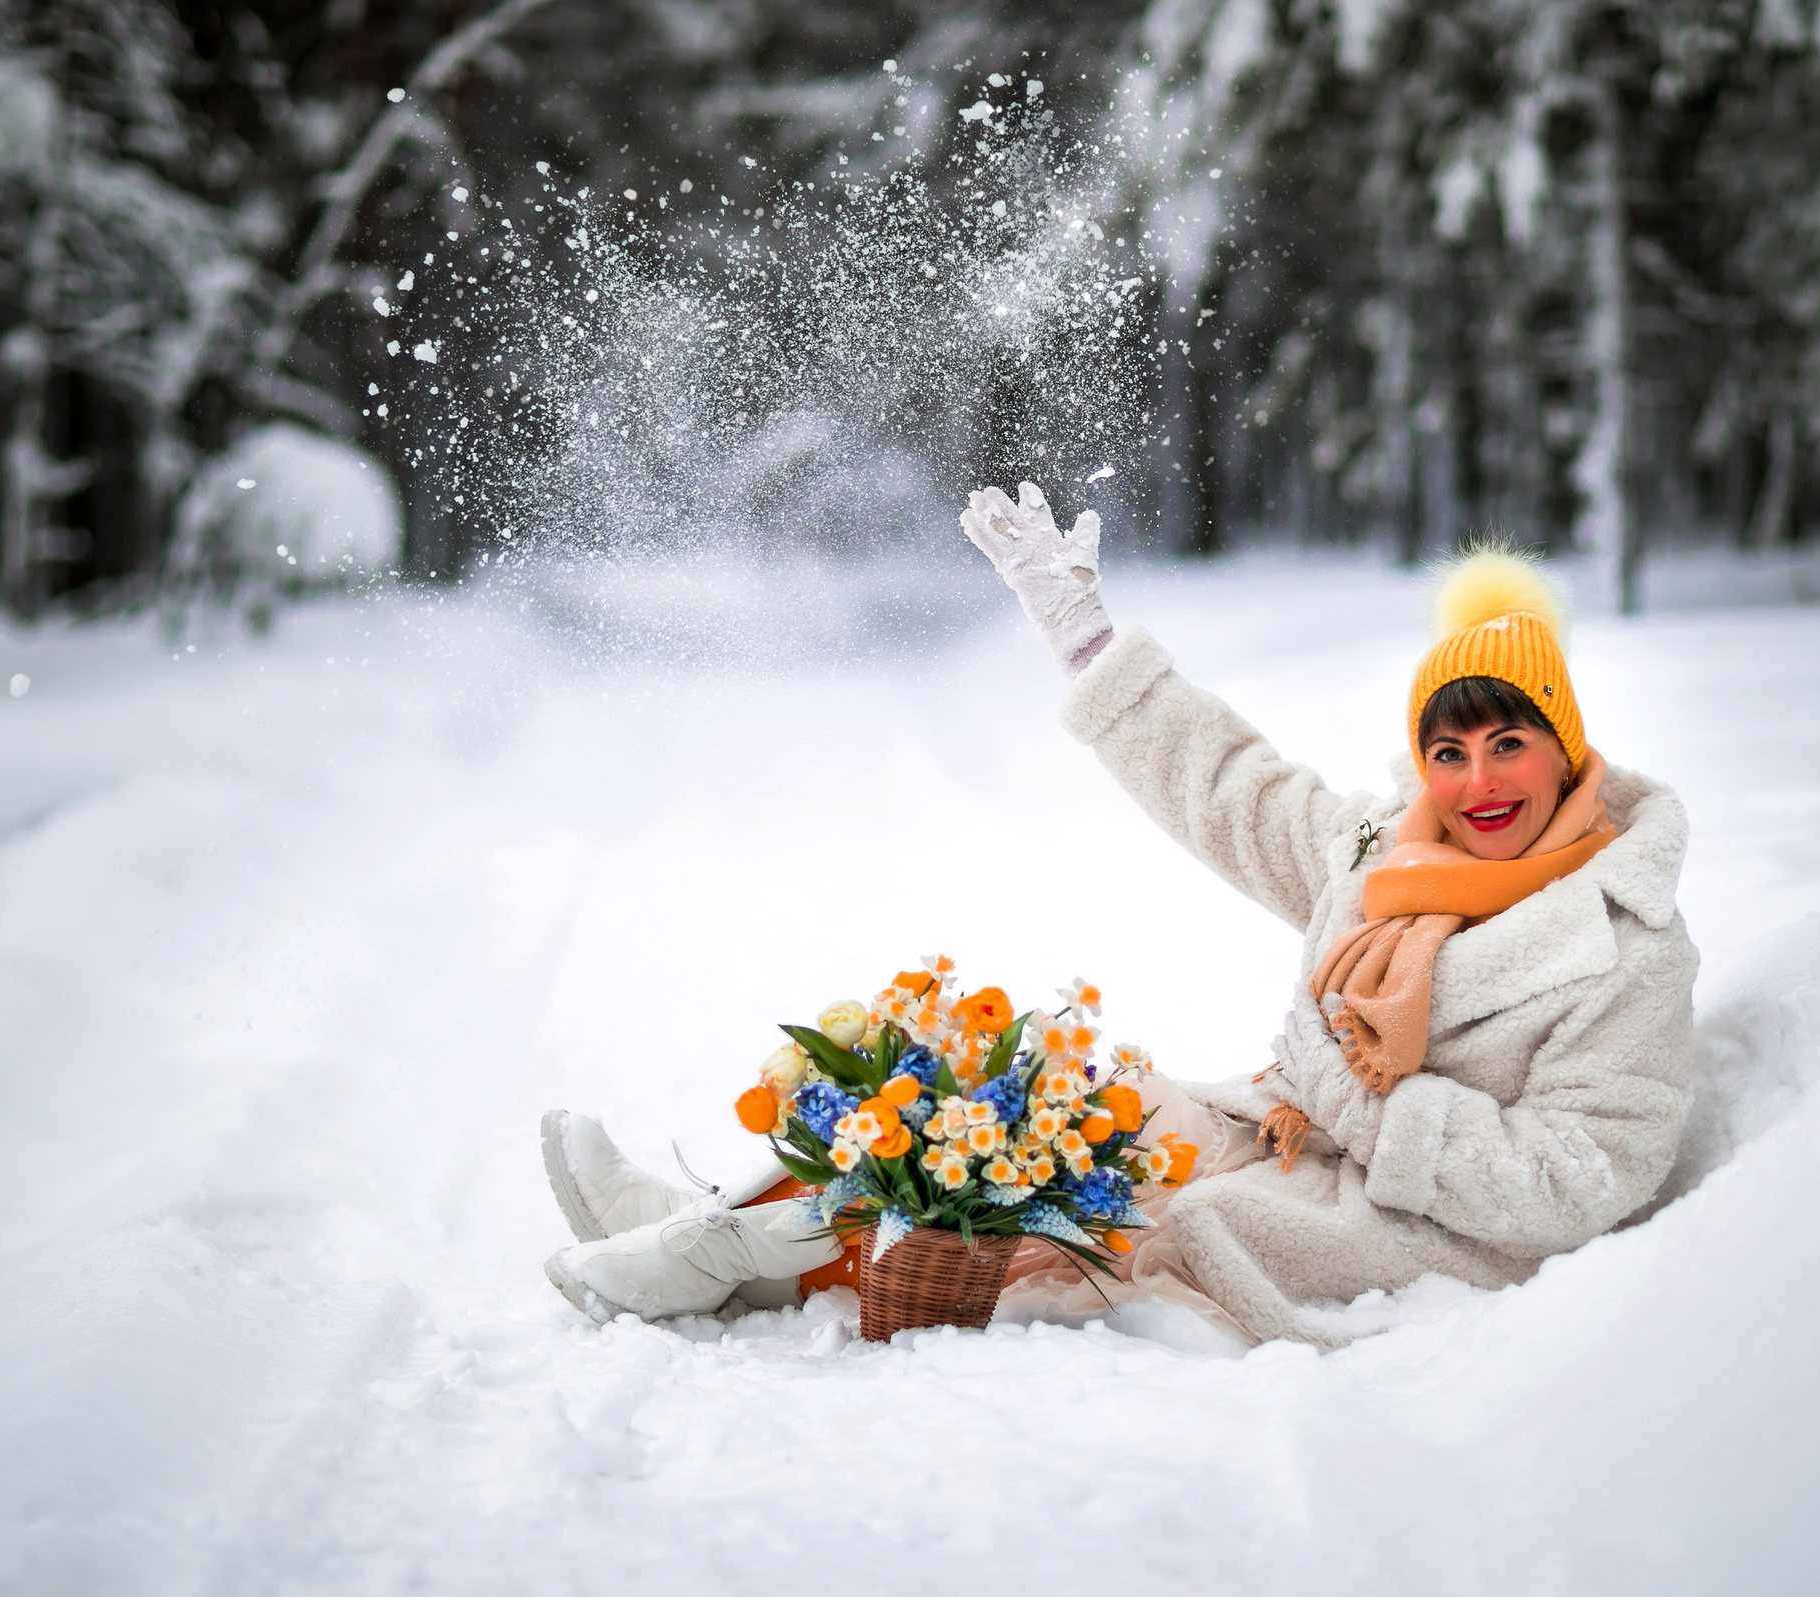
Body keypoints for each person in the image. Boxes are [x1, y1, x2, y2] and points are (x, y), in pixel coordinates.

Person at [542, 482, 1697, 1347]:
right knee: (1048, 1112)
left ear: (1564, 748)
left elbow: (1584, 1177)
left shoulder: (1620, 941)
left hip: (1382, 1226)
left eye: (1510, 743)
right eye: (1449, 750)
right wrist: (1083, 637)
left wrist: (1358, 1099)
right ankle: (718, 1217)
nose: (1480, 780)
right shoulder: (1383, 853)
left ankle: (734, 1261)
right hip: (1281, 1139)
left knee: (1080, 1212)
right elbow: (1228, 785)